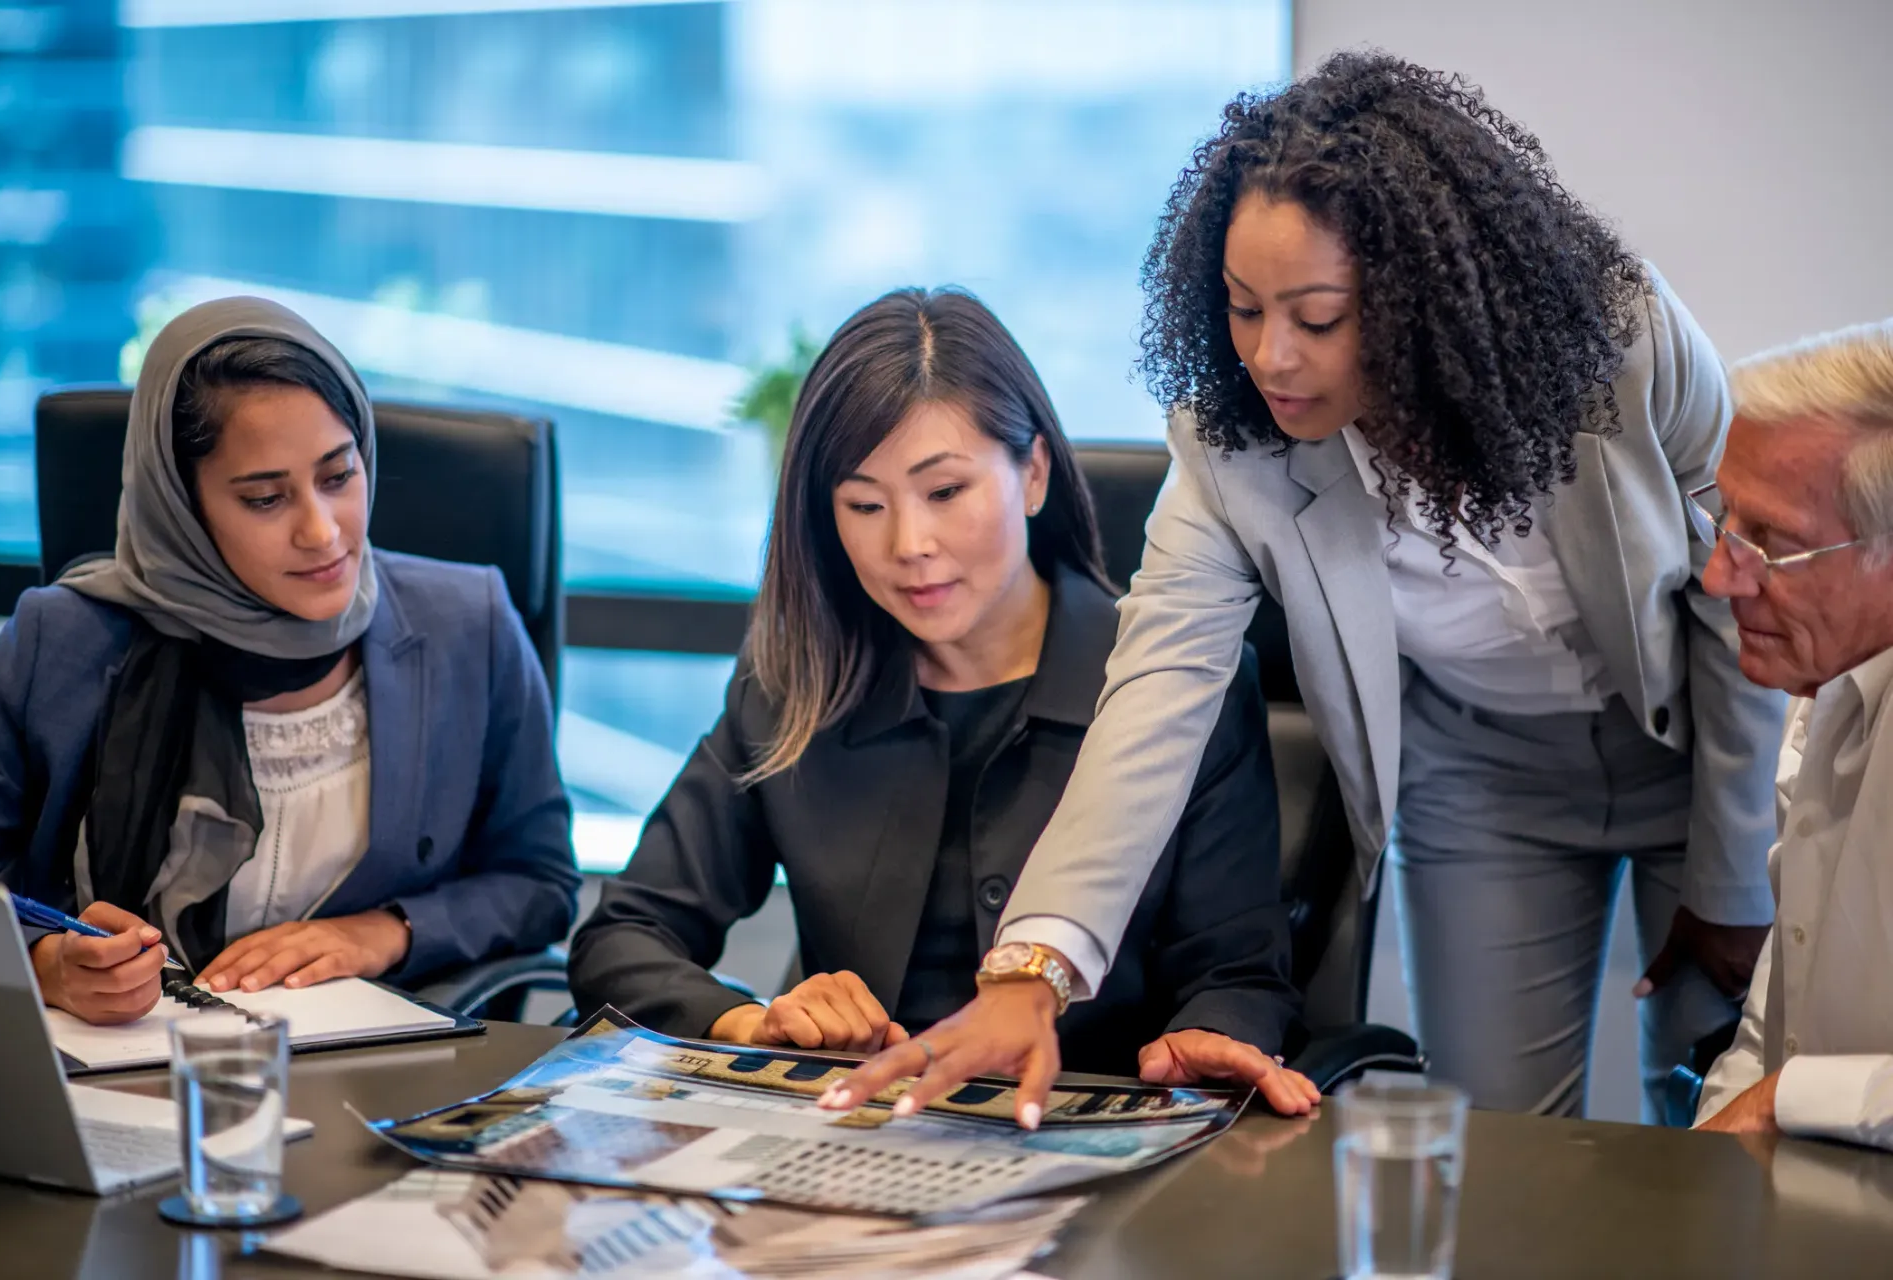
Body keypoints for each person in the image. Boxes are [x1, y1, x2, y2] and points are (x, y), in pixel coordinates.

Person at [826, 52, 1786, 1127]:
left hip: (1703, 743)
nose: (1270, 357)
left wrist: (1738, 872)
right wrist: (1032, 967)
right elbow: (1156, 691)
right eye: (1241, 309)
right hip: (1481, 776)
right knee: (1502, 1138)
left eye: (1317, 318)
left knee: (1714, 1107)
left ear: (1423, 298)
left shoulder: (1618, 343)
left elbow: (1743, 590)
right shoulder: (1231, 445)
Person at [567, 287, 1318, 1118]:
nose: (908, 546)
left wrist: (1205, 1039)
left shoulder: (1171, 682)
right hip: (848, 1146)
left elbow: (1237, 974)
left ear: (1032, 473)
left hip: (1084, 1141)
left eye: (945, 491)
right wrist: (754, 1023)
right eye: (864, 505)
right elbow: (624, 936)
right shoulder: (793, 687)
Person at [0, 296, 579, 1026]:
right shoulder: (64, 639)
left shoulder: (468, 624)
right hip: (115, 1069)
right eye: (265, 498)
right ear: (183, 508)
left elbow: (538, 880)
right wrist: (48, 966)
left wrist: (386, 932)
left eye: (338, 476)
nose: (323, 533)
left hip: (373, 1069)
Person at [1691, 319, 1893, 1148]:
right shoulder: (1829, 685)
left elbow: (1784, 1080)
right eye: (1725, 523)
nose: (1716, 576)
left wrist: (1788, 1099)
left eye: (1769, 543)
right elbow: (1778, 1021)